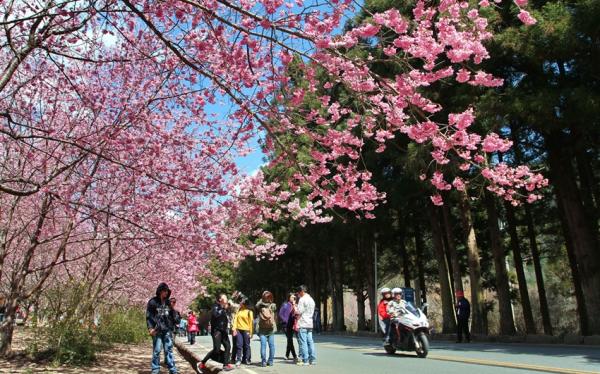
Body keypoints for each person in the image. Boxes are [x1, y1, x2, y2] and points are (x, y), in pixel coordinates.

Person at [146, 282, 180, 374]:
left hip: (167, 330)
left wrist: (176, 319)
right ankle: (155, 369)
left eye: (167, 291)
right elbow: (148, 316)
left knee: (168, 349)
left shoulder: (168, 302)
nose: (166, 293)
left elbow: (173, 315)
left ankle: (172, 370)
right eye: (165, 291)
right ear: (160, 291)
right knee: (157, 350)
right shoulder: (152, 302)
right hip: (157, 330)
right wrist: (150, 328)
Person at [199, 294, 234, 372]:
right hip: (216, 331)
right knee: (216, 349)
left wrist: (227, 308)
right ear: (220, 299)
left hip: (223, 330)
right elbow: (216, 314)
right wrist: (223, 308)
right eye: (225, 298)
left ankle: (225, 365)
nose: (227, 299)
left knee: (228, 346)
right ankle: (202, 363)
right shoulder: (215, 306)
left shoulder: (225, 307)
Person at [295, 285, 316, 366]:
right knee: (310, 342)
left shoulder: (302, 300)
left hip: (303, 322)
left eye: (298, 292)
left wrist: (295, 308)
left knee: (303, 342)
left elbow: (299, 311)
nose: (298, 294)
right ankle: (312, 359)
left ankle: (305, 360)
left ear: (301, 291)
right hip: (310, 323)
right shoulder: (311, 300)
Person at [256, 291, 277, 367]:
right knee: (272, 346)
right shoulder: (273, 305)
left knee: (263, 346)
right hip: (271, 329)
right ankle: (270, 361)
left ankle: (263, 362)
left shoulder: (260, 306)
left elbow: (256, 305)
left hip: (262, 329)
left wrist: (262, 297)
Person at [232, 297, 253, 367]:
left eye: (241, 302)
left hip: (246, 330)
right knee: (239, 345)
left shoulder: (249, 311)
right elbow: (235, 320)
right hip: (239, 330)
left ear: (244, 303)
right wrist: (234, 329)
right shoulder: (239, 310)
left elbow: (251, 323)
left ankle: (247, 359)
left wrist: (251, 333)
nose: (239, 303)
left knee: (246, 345)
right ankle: (238, 359)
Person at [278, 293, 298, 362]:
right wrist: (285, 320)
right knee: (290, 340)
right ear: (289, 297)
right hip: (286, 325)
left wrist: (295, 306)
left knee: (289, 340)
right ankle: (294, 355)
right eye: (292, 297)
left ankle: (287, 355)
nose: (293, 298)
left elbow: (296, 314)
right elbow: (280, 314)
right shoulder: (285, 305)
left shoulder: (294, 305)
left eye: (294, 297)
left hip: (292, 325)